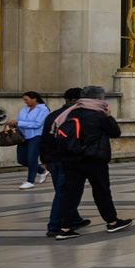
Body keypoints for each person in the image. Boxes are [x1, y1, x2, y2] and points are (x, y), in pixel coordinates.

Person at [46, 85, 129, 236]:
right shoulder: (99, 114)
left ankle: (64, 228)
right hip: (94, 159)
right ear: (98, 98)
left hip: (71, 159)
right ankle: (112, 221)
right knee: (101, 191)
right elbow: (115, 132)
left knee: (70, 193)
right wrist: (109, 116)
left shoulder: (70, 113)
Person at [39, 88, 90, 235]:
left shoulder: (52, 115)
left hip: (52, 159)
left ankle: (75, 219)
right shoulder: (75, 115)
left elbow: (44, 139)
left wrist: (44, 159)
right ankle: (54, 226)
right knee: (65, 192)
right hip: (67, 159)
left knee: (63, 191)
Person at [14, 92, 50, 188]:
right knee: (21, 159)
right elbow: (19, 120)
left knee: (32, 158)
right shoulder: (24, 109)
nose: (25, 102)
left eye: (27, 99)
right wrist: (14, 123)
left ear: (34, 99)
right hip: (23, 137)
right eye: (24, 100)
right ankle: (41, 170)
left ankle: (30, 181)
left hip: (36, 136)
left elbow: (37, 124)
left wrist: (19, 123)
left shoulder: (43, 109)